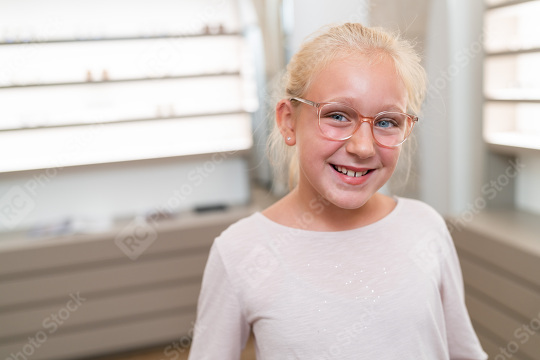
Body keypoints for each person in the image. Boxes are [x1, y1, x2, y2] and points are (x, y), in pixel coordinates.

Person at [188, 23, 487, 360]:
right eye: (337, 115)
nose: (362, 147)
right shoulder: (240, 251)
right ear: (288, 121)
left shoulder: (426, 227)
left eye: (387, 122)